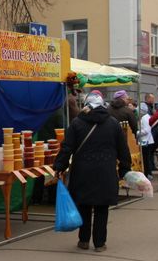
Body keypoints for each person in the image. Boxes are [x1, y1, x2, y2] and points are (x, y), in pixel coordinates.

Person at [54, 92, 131, 252]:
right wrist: (125, 169)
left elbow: (67, 147)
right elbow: (123, 149)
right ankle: (99, 243)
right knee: (102, 208)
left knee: (84, 205)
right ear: (103, 105)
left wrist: (59, 166)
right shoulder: (113, 123)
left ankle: (83, 240)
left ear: (86, 105)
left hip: (83, 170)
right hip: (106, 170)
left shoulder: (77, 123)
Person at [138, 102, 156, 176]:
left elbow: (146, 130)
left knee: (145, 159)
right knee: (147, 158)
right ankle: (148, 173)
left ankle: (147, 173)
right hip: (147, 140)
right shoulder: (146, 117)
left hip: (145, 141)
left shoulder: (145, 118)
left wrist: (137, 132)